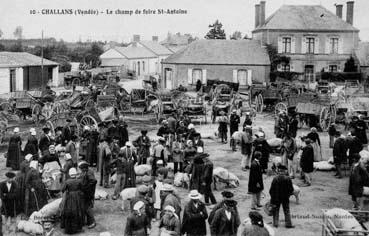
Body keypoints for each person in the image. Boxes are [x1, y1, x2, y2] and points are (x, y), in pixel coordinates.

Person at [60, 168, 84, 234]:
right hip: (77, 197)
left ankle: (68, 228)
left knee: (69, 211)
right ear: (75, 174)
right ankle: (77, 227)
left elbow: (62, 189)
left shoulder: (67, 181)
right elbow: (82, 188)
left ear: (70, 174)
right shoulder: (79, 181)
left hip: (69, 197)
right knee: (77, 211)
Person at [78, 162, 97, 229]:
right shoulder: (87, 171)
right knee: (85, 207)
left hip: (88, 193)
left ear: (84, 168)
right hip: (87, 192)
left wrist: (86, 187)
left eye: (81, 169)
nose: (80, 170)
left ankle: (92, 222)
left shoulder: (88, 173)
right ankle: (88, 221)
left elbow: (94, 181)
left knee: (87, 208)